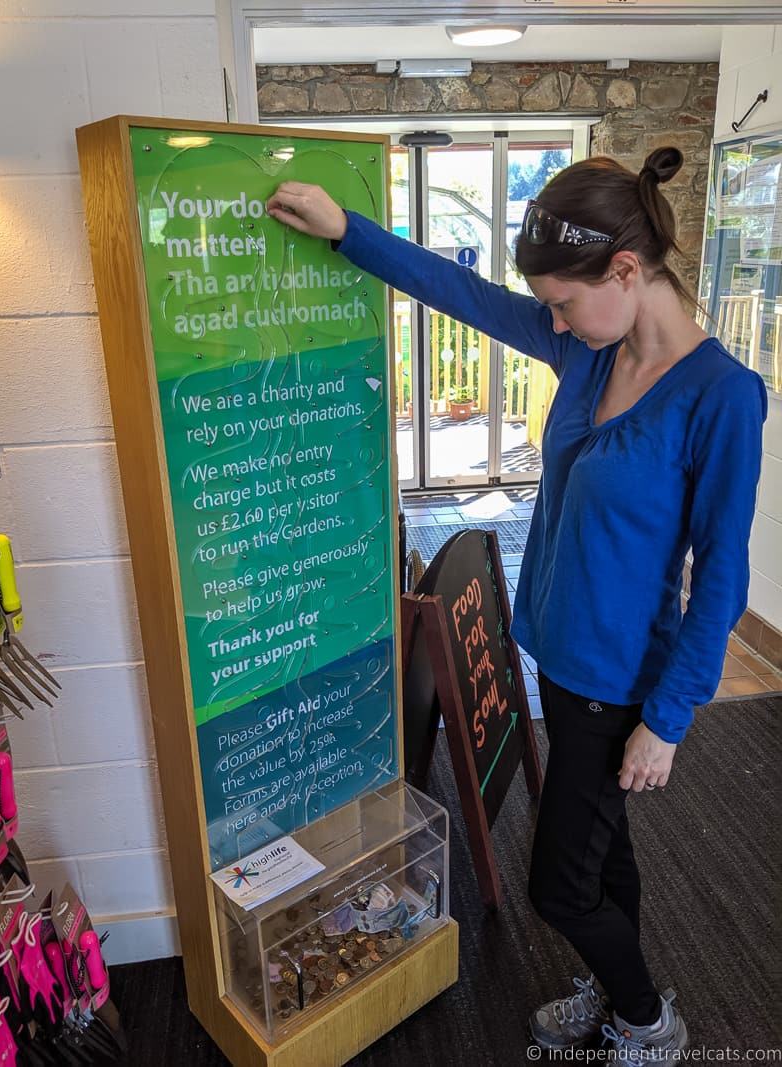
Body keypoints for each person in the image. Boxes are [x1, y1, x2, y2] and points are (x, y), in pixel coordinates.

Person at [266, 147, 766, 1062]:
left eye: (565, 302)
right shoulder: (587, 351)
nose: (555, 321)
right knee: (600, 852)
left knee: (559, 889)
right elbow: (461, 297)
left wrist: (669, 717)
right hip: (562, 660)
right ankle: (620, 992)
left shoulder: (722, 397)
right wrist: (349, 235)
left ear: (626, 270)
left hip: (620, 684)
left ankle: (650, 1021)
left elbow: (722, 578)